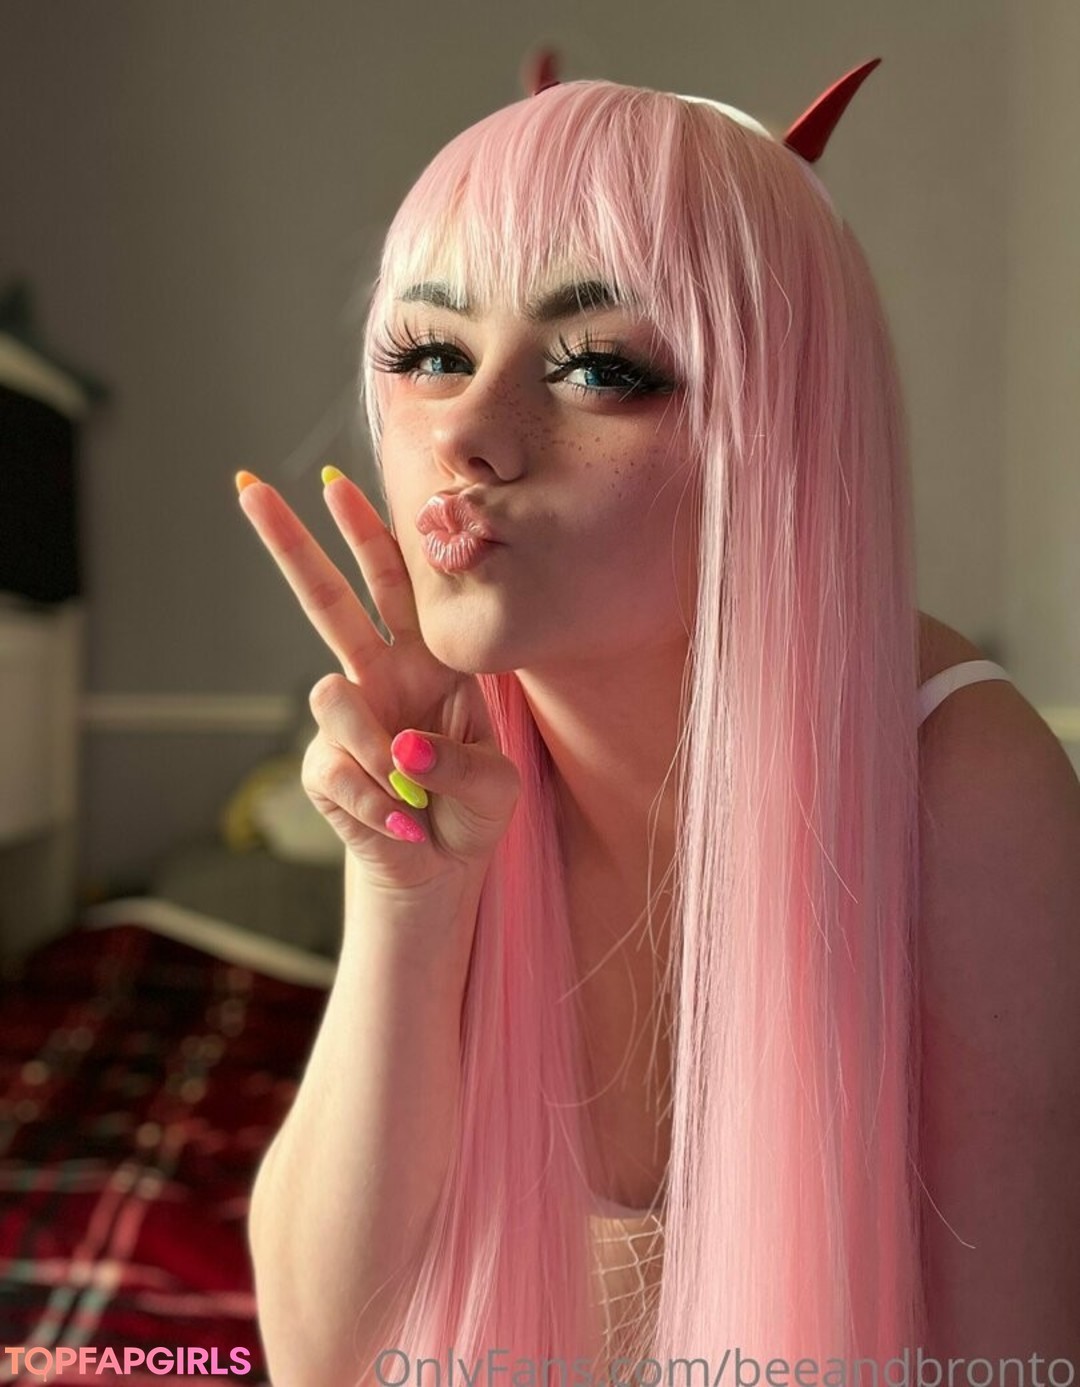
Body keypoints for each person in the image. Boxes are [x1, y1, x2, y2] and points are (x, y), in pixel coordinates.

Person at [238, 54, 1080, 1387]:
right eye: (432, 353)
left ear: (777, 432)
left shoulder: (962, 784)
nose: (467, 431)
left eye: (598, 368)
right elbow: (317, 1358)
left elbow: (1011, 1364)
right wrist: (406, 900)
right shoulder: (443, 756)